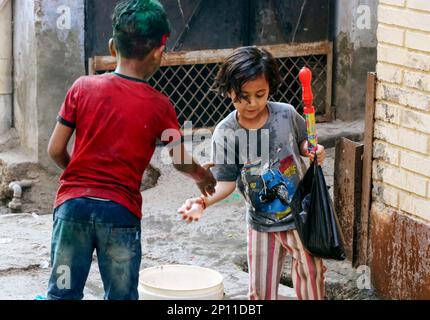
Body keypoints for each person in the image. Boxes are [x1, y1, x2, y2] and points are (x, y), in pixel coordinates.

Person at [46, 0, 216, 300]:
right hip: (119, 216)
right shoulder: (160, 106)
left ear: (112, 47)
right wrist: (201, 175)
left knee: (62, 292)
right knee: (121, 295)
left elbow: (55, 149)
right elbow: (178, 160)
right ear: (158, 52)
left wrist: (78, 176)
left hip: (73, 211)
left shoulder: (82, 87)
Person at [178, 46, 327, 300]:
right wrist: (203, 202)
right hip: (260, 223)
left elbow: (303, 143)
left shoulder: (286, 114)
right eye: (243, 96)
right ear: (228, 91)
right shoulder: (225, 133)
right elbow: (226, 184)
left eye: (260, 94)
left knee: (312, 274)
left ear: (270, 87)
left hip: (300, 215)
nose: (253, 103)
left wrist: (313, 150)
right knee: (259, 291)